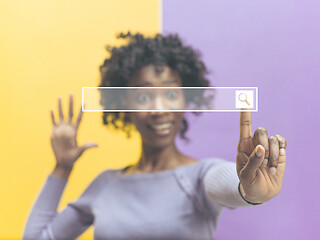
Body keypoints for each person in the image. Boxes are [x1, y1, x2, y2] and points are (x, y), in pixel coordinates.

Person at [23, 32, 287, 240]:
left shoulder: (200, 176)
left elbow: (228, 182)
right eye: (144, 96)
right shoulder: (105, 185)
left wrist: (249, 191)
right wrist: (62, 167)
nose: (159, 109)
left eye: (171, 95)